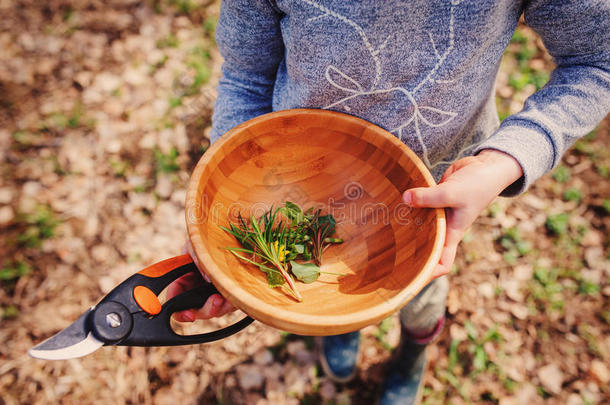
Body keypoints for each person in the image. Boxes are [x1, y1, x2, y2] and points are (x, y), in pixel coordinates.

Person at [167, 1, 610, 403]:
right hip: (298, 184)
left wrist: (504, 160)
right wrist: (222, 229)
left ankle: (415, 347)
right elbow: (246, 76)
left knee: (421, 297)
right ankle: (341, 328)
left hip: (430, 201)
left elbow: (597, 60)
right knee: (324, 294)